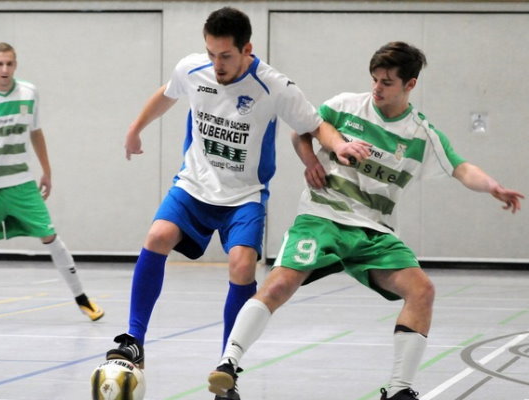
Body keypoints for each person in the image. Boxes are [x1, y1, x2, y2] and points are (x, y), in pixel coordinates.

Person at [207, 41, 524, 400]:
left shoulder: (420, 134)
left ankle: (399, 390)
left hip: (373, 230)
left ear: (410, 85)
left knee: (422, 290)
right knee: (280, 284)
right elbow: (300, 132)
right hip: (323, 216)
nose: (377, 88)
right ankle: (228, 364)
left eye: (387, 82)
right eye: (374, 79)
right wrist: (310, 161)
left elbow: (461, 168)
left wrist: (493, 186)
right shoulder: (344, 107)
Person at [104, 7, 369, 400]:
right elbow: (167, 94)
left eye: (225, 56)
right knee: (157, 235)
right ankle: (134, 341)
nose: (216, 64)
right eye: (210, 53)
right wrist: (135, 128)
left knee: (243, 263)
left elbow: (314, 125)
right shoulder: (193, 70)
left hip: (244, 195)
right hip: (194, 185)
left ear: (247, 49)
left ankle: (228, 365)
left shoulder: (274, 86)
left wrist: (338, 146)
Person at [0, 42, 104, 324]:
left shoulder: (29, 93)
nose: (4, 69)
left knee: (50, 236)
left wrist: (47, 171)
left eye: (9, 63)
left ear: (15, 64)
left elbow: (36, 133)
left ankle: (83, 300)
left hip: (21, 184)